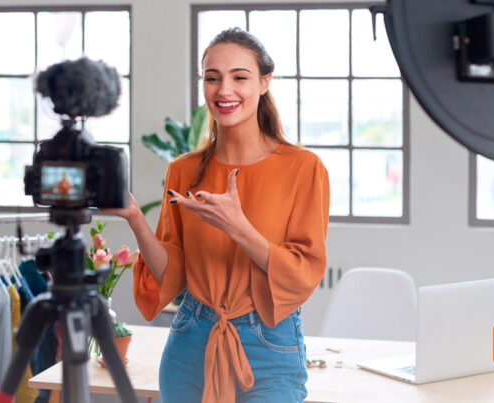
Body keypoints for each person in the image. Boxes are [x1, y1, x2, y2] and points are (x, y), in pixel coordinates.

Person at [104, 27, 330, 403]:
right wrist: (134, 218)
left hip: (269, 344)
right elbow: (170, 275)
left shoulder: (304, 168)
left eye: (239, 77)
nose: (224, 90)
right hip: (191, 338)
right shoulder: (183, 169)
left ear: (264, 82)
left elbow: (302, 272)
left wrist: (238, 228)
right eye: (212, 78)